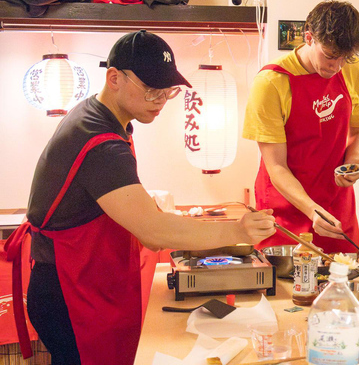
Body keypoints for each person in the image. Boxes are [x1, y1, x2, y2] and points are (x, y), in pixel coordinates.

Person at [4, 30, 276, 365]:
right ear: (114, 77)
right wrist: (239, 231)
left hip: (85, 282)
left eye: (167, 90)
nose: (161, 99)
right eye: (151, 90)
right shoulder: (100, 142)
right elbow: (155, 232)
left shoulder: (101, 116)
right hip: (70, 293)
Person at [243, 0, 359, 253]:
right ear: (308, 37)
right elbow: (276, 166)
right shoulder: (270, 83)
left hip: (336, 204)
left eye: (344, 59)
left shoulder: (353, 69)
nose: (336, 67)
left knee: (344, 281)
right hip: (284, 210)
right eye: (329, 56)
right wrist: (312, 210)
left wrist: (354, 161)